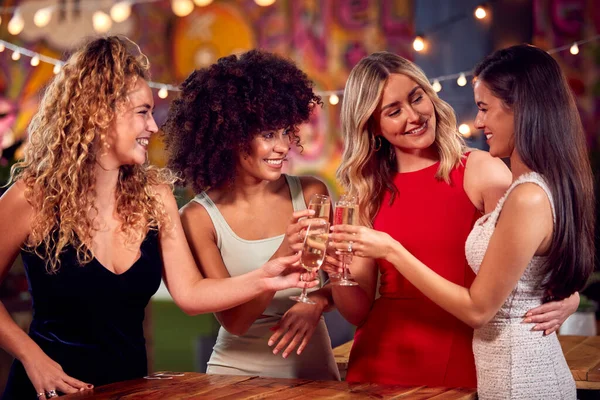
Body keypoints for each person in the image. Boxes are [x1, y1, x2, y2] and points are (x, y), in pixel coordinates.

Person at [0, 37, 315, 400]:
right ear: (100, 112)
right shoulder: (34, 195)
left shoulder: (154, 195)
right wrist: (30, 357)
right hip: (49, 392)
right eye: (142, 112)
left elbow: (191, 293)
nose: (153, 126)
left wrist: (266, 277)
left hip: (130, 390)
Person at [331, 45, 593, 398]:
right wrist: (337, 273)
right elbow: (357, 311)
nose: (414, 116)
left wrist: (569, 296)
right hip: (383, 358)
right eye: (394, 111)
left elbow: (530, 259)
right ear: (373, 126)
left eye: (417, 98)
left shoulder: (481, 169)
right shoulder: (366, 193)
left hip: (466, 352)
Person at [161, 50, 340, 380]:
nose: (284, 146)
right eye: (268, 135)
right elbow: (235, 321)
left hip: (315, 375)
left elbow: (341, 279)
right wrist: (287, 248)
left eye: (286, 131)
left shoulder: (312, 194)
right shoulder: (198, 217)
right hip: (236, 379)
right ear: (231, 137)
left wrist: (315, 303)